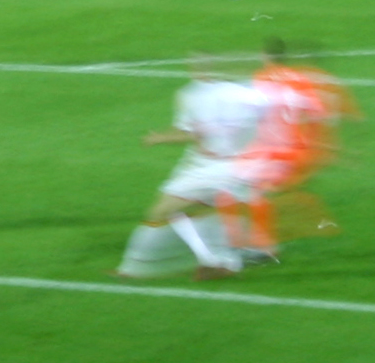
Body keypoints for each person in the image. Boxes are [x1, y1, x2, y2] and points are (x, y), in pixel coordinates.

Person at [114, 54, 269, 280]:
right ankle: (226, 261)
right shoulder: (249, 94)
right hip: (240, 165)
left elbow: (195, 133)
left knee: (162, 212)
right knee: (204, 211)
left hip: (217, 166)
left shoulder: (195, 96)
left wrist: (159, 138)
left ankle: (133, 269)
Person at [221, 38, 344, 261]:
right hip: (290, 149)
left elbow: (247, 114)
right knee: (243, 190)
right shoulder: (300, 80)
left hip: (273, 151)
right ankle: (250, 245)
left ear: (264, 56)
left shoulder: (261, 79)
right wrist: (316, 144)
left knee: (233, 191)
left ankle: (251, 246)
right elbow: (320, 112)